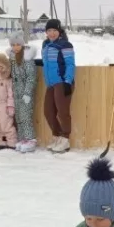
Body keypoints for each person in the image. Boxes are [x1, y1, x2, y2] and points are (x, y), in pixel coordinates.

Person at [40, 19, 75, 153]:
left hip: (62, 82)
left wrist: (67, 81)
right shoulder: (46, 44)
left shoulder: (65, 45)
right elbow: (47, 62)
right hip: (51, 83)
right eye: (49, 31)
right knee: (48, 112)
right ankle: (57, 136)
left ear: (59, 31)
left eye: (54, 30)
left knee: (62, 112)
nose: (52, 33)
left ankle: (65, 139)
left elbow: (70, 64)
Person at [6, 32, 38, 152]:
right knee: (18, 116)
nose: (15, 47)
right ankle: (22, 138)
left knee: (25, 116)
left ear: (22, 44)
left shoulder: (27, 58)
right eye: (13, 45)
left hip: (25, 92)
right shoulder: (12, 58)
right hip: (16, 91)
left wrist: (27, 93)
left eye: (18, 44)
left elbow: (31, 77)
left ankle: (31, 139)